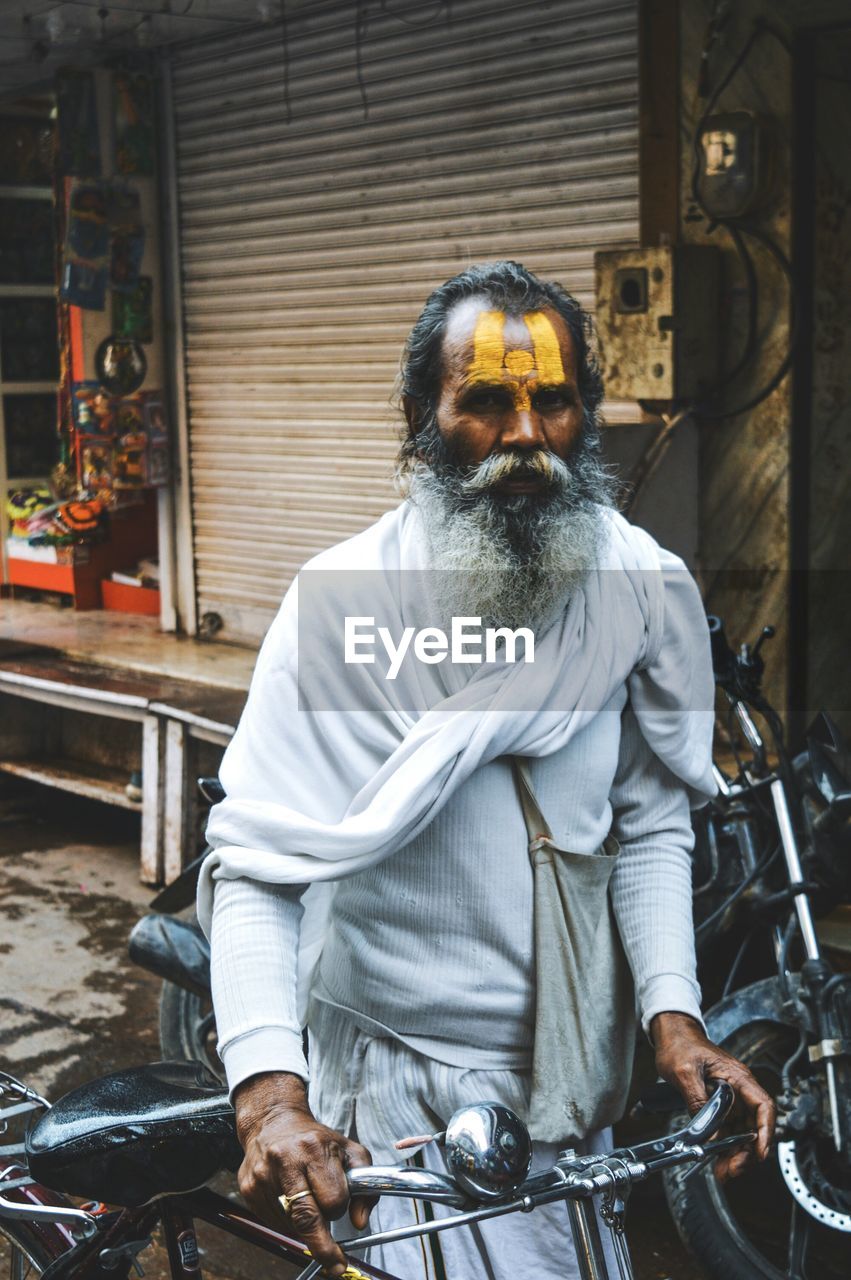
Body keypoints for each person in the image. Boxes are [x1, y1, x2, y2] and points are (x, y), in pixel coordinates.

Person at [199, 261, 775, 1279]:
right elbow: (257, 868)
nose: (522, 437)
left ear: (584, 417)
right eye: (485, 403)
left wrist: (673, 1019)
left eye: (551, 402)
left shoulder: (635, 590)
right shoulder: (338, 603)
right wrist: (273, 1098)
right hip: (394, 1095)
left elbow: (646, 827)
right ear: (420, 416)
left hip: (569, 1093)